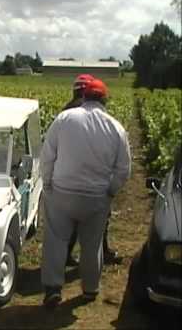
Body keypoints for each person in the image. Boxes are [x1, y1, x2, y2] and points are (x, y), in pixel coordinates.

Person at [40, 78, 131, 308]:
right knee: (92, 245)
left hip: (62, 193)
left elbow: (47, 156)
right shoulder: (116, 127)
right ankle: (90, 289)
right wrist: (110, 192)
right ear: (104, 99)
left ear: (83, 97)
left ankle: (53, 288)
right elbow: (123, 170)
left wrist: (48, 185)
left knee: (56, 241)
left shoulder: (64, 119)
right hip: (96, 197)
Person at [62, 74, 95, 267]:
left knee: (69, 220)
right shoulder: (89, 112)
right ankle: (94, 258)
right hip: (87, 172)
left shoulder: (65, 111)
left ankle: (65, 255)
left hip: (66, 173)